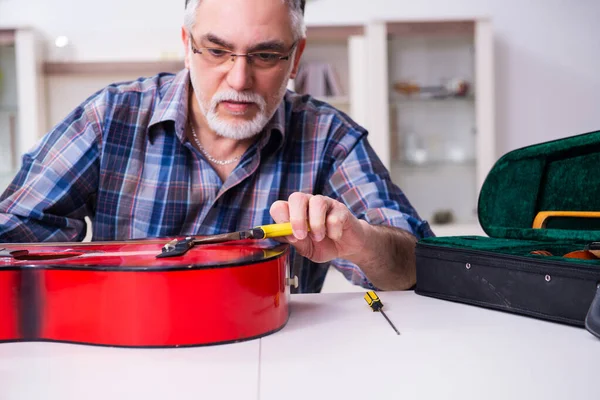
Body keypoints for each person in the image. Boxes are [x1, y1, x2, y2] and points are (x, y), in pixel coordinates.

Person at [0, 0, 434, 293]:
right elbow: (16, 232)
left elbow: (420, 264)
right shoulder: (110, 116)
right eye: (216, 50)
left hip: (273, 364)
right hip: (130, 356)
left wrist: (358, 239)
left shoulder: (329, 136)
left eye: (265, 56)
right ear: (188, 45)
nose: (239, 79)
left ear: (295, 58)